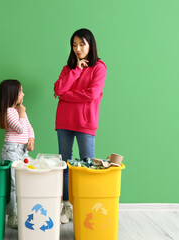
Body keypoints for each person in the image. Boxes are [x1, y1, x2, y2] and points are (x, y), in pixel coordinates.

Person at [54, 28, 107, 224]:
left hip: (86, 122)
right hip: (64, 122)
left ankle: (85, 206)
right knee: (65, 166)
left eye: (82, 44)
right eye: (74, 45)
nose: (78, 48)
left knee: (87, 165)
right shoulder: (68, 69)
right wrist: (76, 71)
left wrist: (66, 96)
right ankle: (66, 207)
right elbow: (58, 88)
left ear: (90, 45)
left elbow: (92, 94)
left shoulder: (99, 68)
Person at [0, 79, 35, 229]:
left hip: (22, 151)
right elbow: (19, 129)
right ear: (12, 95)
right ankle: (12, 216)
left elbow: (28, 128)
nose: (23, 94)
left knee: (24, 181)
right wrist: (22, 113)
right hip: (11, 151)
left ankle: (23, 211)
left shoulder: (19, 111)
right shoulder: (10, 112)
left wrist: (31, 139)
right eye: (20, 92)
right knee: (12, 185)